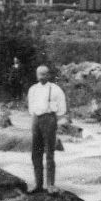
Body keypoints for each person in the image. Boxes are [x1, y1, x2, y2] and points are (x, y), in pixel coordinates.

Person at [27, 65, 67, 194]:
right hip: (36, 119)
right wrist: (35, 117)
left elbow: (62, 108)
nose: (41, 77)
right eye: (39, 74)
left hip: (49, 119)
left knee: (50, 152)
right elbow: (31, 106)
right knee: (35, 153)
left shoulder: (55, 89)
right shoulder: (33, 89)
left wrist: (54, 118)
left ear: (48, 75)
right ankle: (38, 184)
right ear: (36, 75)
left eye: (44, 74)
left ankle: (50, 185)